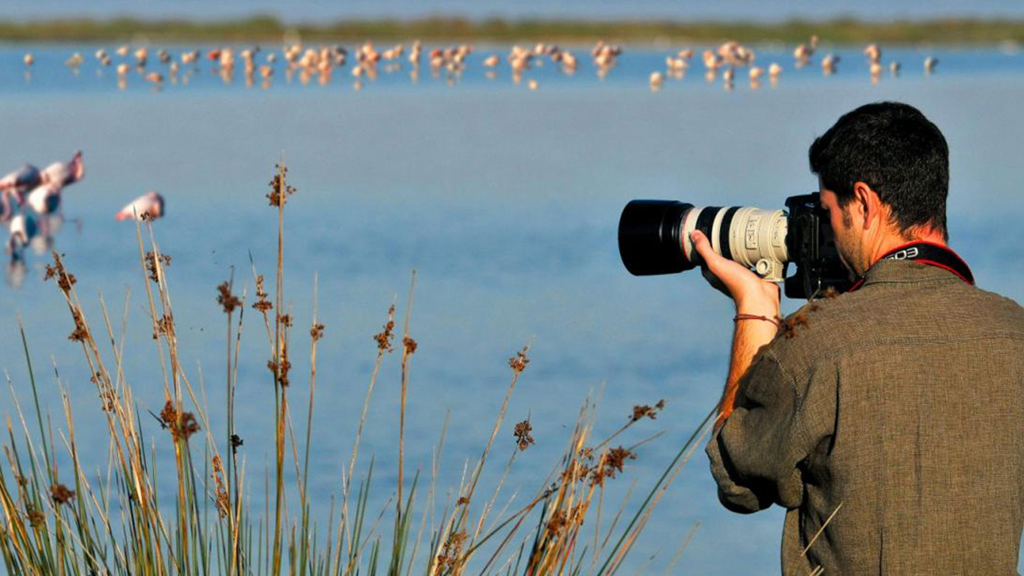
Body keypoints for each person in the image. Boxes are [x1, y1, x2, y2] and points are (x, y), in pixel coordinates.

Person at [696, 101, 1024, 575]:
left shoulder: (816, 344)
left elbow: (739, 480)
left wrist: (754, 311)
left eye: (827, 209)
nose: (826, 228)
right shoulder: (1014, 332)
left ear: (865, 203)